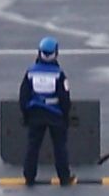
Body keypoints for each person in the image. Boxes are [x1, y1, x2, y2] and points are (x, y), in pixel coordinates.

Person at [19, 36, 73, 187]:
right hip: (55, 114)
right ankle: (64, 177)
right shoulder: (59, 74)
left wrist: (26, 115)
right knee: (60, 147)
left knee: (33, 146)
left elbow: (23, 96)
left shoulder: (30, 72)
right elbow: (64, 98)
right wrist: (65, 116)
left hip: (35, 113)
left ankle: (29, 177)